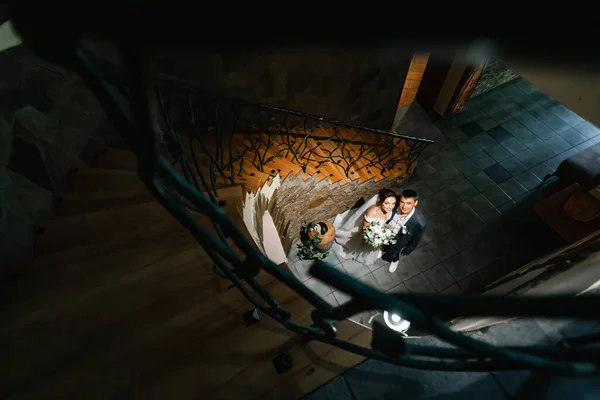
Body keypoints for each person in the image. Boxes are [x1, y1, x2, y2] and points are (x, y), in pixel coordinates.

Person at [331, 189, 397, 266]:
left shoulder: (389, 211)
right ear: (381, 201)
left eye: (393, 203)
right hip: (369, 233)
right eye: (387, 203)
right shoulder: (372, 212)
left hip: (378, 232)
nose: (390, 207)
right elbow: (365, 227)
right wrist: (373, 237)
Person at [382, 189, 427, 273]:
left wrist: (407, 250)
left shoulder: (419, 222)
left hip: (398, 241)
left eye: (408, 203)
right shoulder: (393, 205)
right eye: (402, 202)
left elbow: (416, 239)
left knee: (394, 252)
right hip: (385, 231)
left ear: (415, 203)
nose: (404, 206)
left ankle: (395, 260)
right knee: (384, 246)